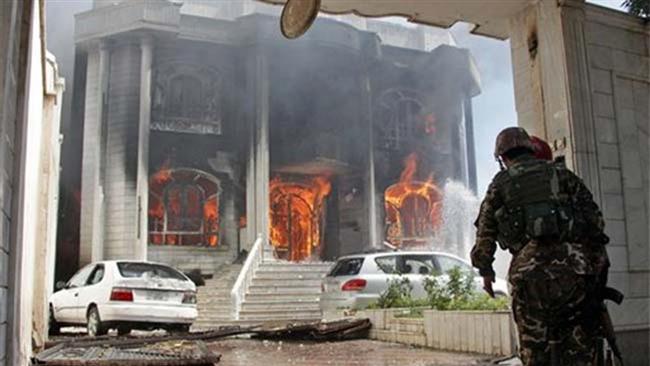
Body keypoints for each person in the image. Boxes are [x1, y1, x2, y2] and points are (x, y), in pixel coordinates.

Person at [471, 127, 610, 365]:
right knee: (580, 348)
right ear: (531, 149)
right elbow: (595, 223)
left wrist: (486, 272)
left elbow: (485, 234)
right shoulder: (562, 174)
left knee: (536, 351)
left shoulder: (500, 183)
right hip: (575, 273)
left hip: (529, 277)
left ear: (502, 157)